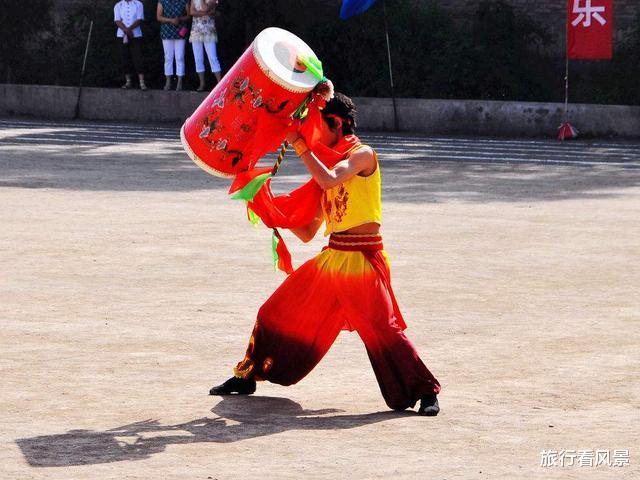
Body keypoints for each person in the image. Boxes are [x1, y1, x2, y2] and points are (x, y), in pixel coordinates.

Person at [210, 92, 442, 416]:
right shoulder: (328, 169)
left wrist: (297, 143)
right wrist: (272, 209)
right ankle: (248, 375)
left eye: (320, 125)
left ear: (337, 124)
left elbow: (328, 177)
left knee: (383, 330)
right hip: (333, 258)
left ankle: (426, 392)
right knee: (273, 312)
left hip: (361, 260)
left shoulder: (362, 156)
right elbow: (307, 232)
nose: (314, 133)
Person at [157, 0, 191, 91]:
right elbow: (159, 17)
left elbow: (189, 15)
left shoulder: (184, 1)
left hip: (180, 32)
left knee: (179, 57)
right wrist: (170, 20)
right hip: (167, 32)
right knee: (168, 57)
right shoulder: (162, 1)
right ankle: (168, 81)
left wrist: (179, 19)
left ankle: (180, 81)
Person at [189, 0, 222, 91]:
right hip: (196, 32)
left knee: (212, 57)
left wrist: (200, 11)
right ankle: (202, 84)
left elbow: (205, 7)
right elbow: (191, 12)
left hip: (208, 32)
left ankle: (220, 84)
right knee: (198, 59)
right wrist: (206, 13)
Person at [114, 0, 147, 90]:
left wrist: (130, 29)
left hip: (136, 35)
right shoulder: (118, 5)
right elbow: (117, 20)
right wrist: (126, 30)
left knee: (138, 57)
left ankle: (142, 82)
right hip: (122, 35)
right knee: (125, 58)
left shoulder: (138, 4)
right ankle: (128, 81)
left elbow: (139, 19)